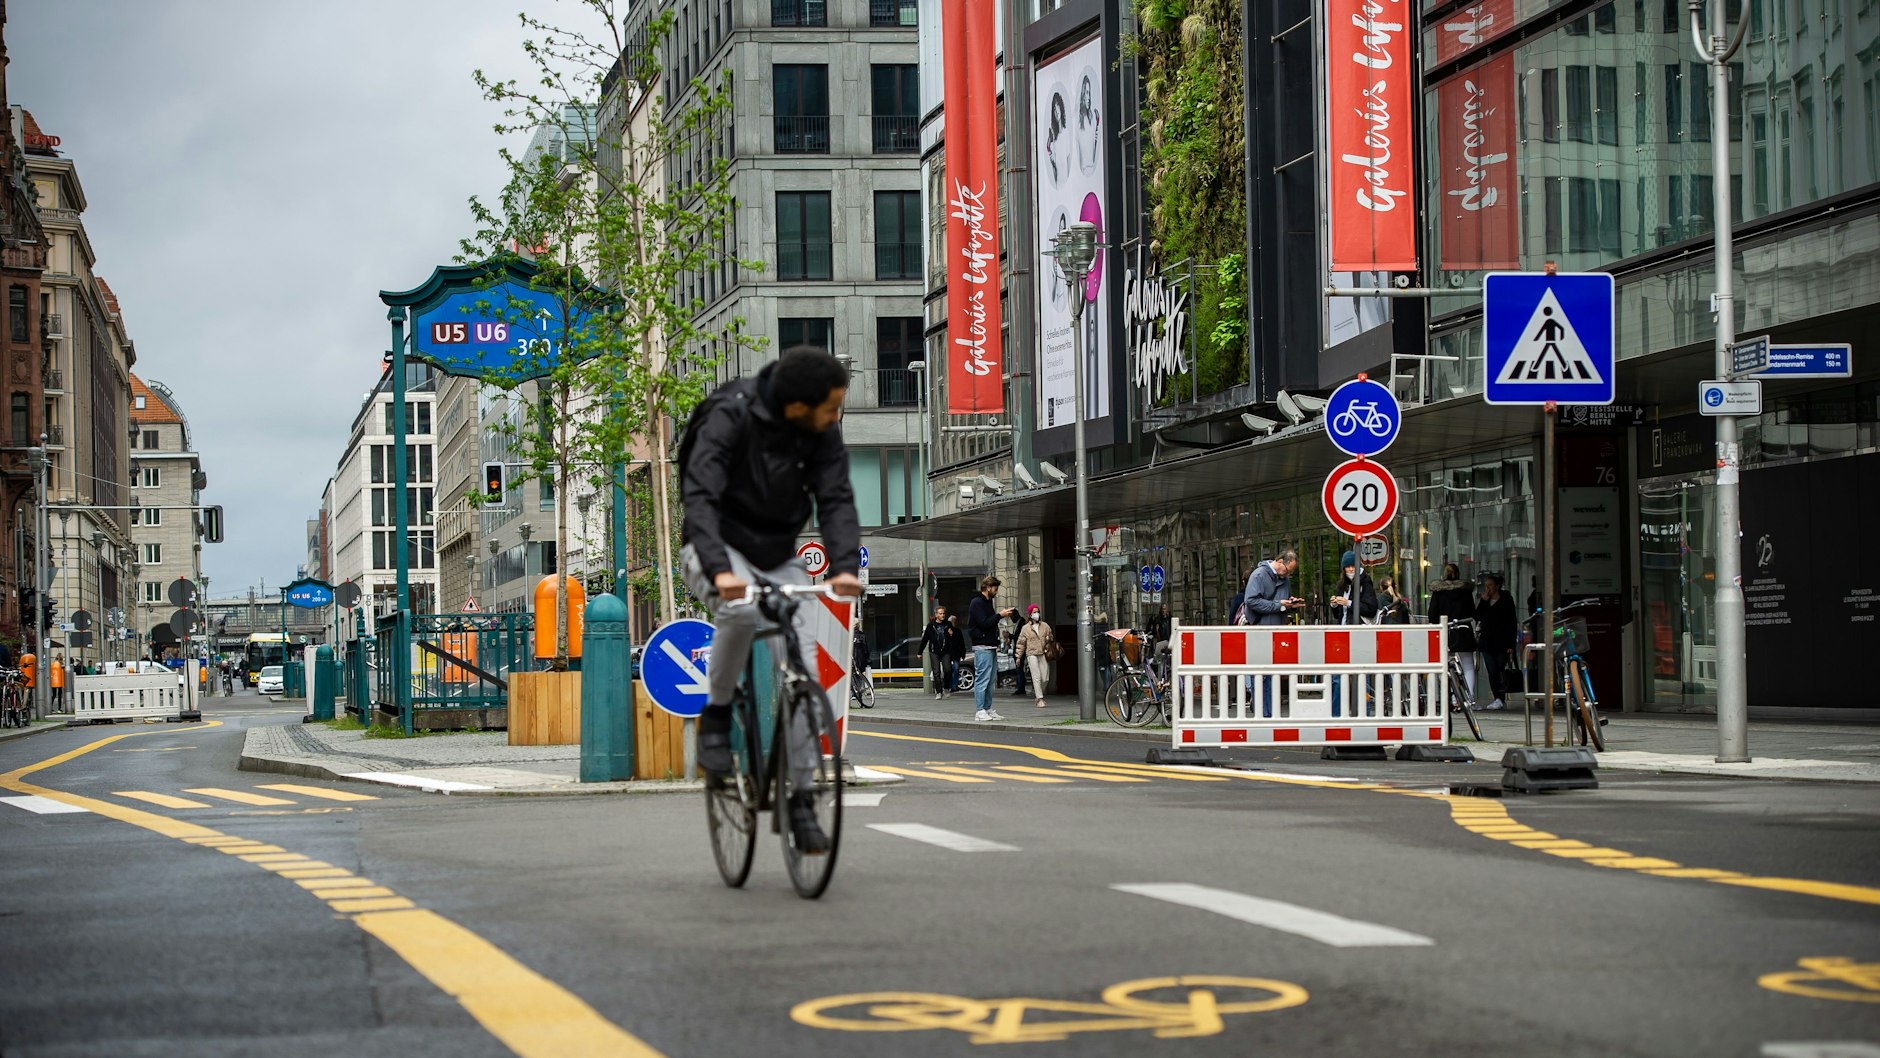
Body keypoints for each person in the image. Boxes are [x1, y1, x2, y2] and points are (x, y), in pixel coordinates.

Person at [678, 348, 864, 855]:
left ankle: (801, 797)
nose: (836, 417)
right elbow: (700, 497)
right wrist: (718, 569)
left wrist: (845, 566)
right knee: (737, 609)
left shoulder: (819, 433)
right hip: (715, 544)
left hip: (779, 554)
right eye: (831, 407)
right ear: (798, 405)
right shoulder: (729, 414)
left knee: (802, 668)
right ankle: (716, 716)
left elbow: (836, 499)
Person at [1238, 550, 1303, 716]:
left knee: (1272, 674)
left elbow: (1282, 604)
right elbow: (1251, 601)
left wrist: (1290, 604)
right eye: (1287, 570)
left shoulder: (1284, 580)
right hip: (1260, 631)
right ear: (1280, 561)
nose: (1287, 574)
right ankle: (1262, 713)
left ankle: (1271, 714)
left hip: (1276, 632)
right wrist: (1278, 605)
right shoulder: (1259, 575)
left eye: (1291, 572)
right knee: (1261, 673)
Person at [967, 575, 1015, 721]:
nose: (996, 591)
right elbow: (984, 622)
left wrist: (998, 616)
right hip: (982, 646)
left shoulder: (987, 602)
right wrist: (1000, 615)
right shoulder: (977, 602)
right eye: (995, 588)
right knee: (983, 678)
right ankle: (980, 710)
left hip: (990, 645)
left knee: (990, 679)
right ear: (988, 588)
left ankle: (987, 708)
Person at [1428, 563, 1478, 702]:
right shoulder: (1465, 591)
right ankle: (1469, 698)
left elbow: (1432, 613)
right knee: (1468, 665)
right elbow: (1472, 612)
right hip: (1463, 630)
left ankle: (1452, 698)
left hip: (1446, 631)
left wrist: (1435, 625)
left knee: (1446, 666)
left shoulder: (1438, 592)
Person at [1474, 573, 1519, 711]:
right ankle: (1497, 698)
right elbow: (1477, 616)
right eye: (1486, 585)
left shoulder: (1506, 599)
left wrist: (1511, 644)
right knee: (1492, 671)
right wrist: (1483, 601)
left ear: (1497, 586)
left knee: (1501, 669)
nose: (1487, 588)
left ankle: (1502, 697)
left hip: (1502, 641)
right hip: (1487, 641)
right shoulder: (1485, 601)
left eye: (1490, 585)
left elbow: (1512, 622)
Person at [1014, 604, 1058, 709]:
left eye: (1037, 611)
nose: (1036, 614)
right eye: (1034, 612)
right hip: (1031, 654)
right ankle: (1039, 698)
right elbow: (1021, 643)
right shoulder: (1026, 628)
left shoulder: (1045, 626)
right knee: (1036, 676)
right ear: (1030, 614)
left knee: (1045, 677)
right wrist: (1018, 657)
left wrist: (1048, 638)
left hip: (1043, 653)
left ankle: (1039, 693)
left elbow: (1051, 638)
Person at [919, 606, 954, 699]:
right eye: (940, 613)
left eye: (943, 613)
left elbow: (952, 637)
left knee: (947, 669)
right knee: (936, 672)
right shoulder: (931, 625)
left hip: (945, 651)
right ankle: (938, 691)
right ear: (936, 615)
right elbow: (925, 639)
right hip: (934, 651)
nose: (942, 615)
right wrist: (920, 652)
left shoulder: (948, 624)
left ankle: (946, 687)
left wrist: (951, 634)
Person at [850, 624, 872, 709]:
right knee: (859, 676)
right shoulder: (862, 635)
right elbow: (865, 649)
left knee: (851, 677)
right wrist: (867, 659)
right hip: (860, 659)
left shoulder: (848, 634)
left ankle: (853, 693)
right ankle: (859, 692)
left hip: (851, 659)